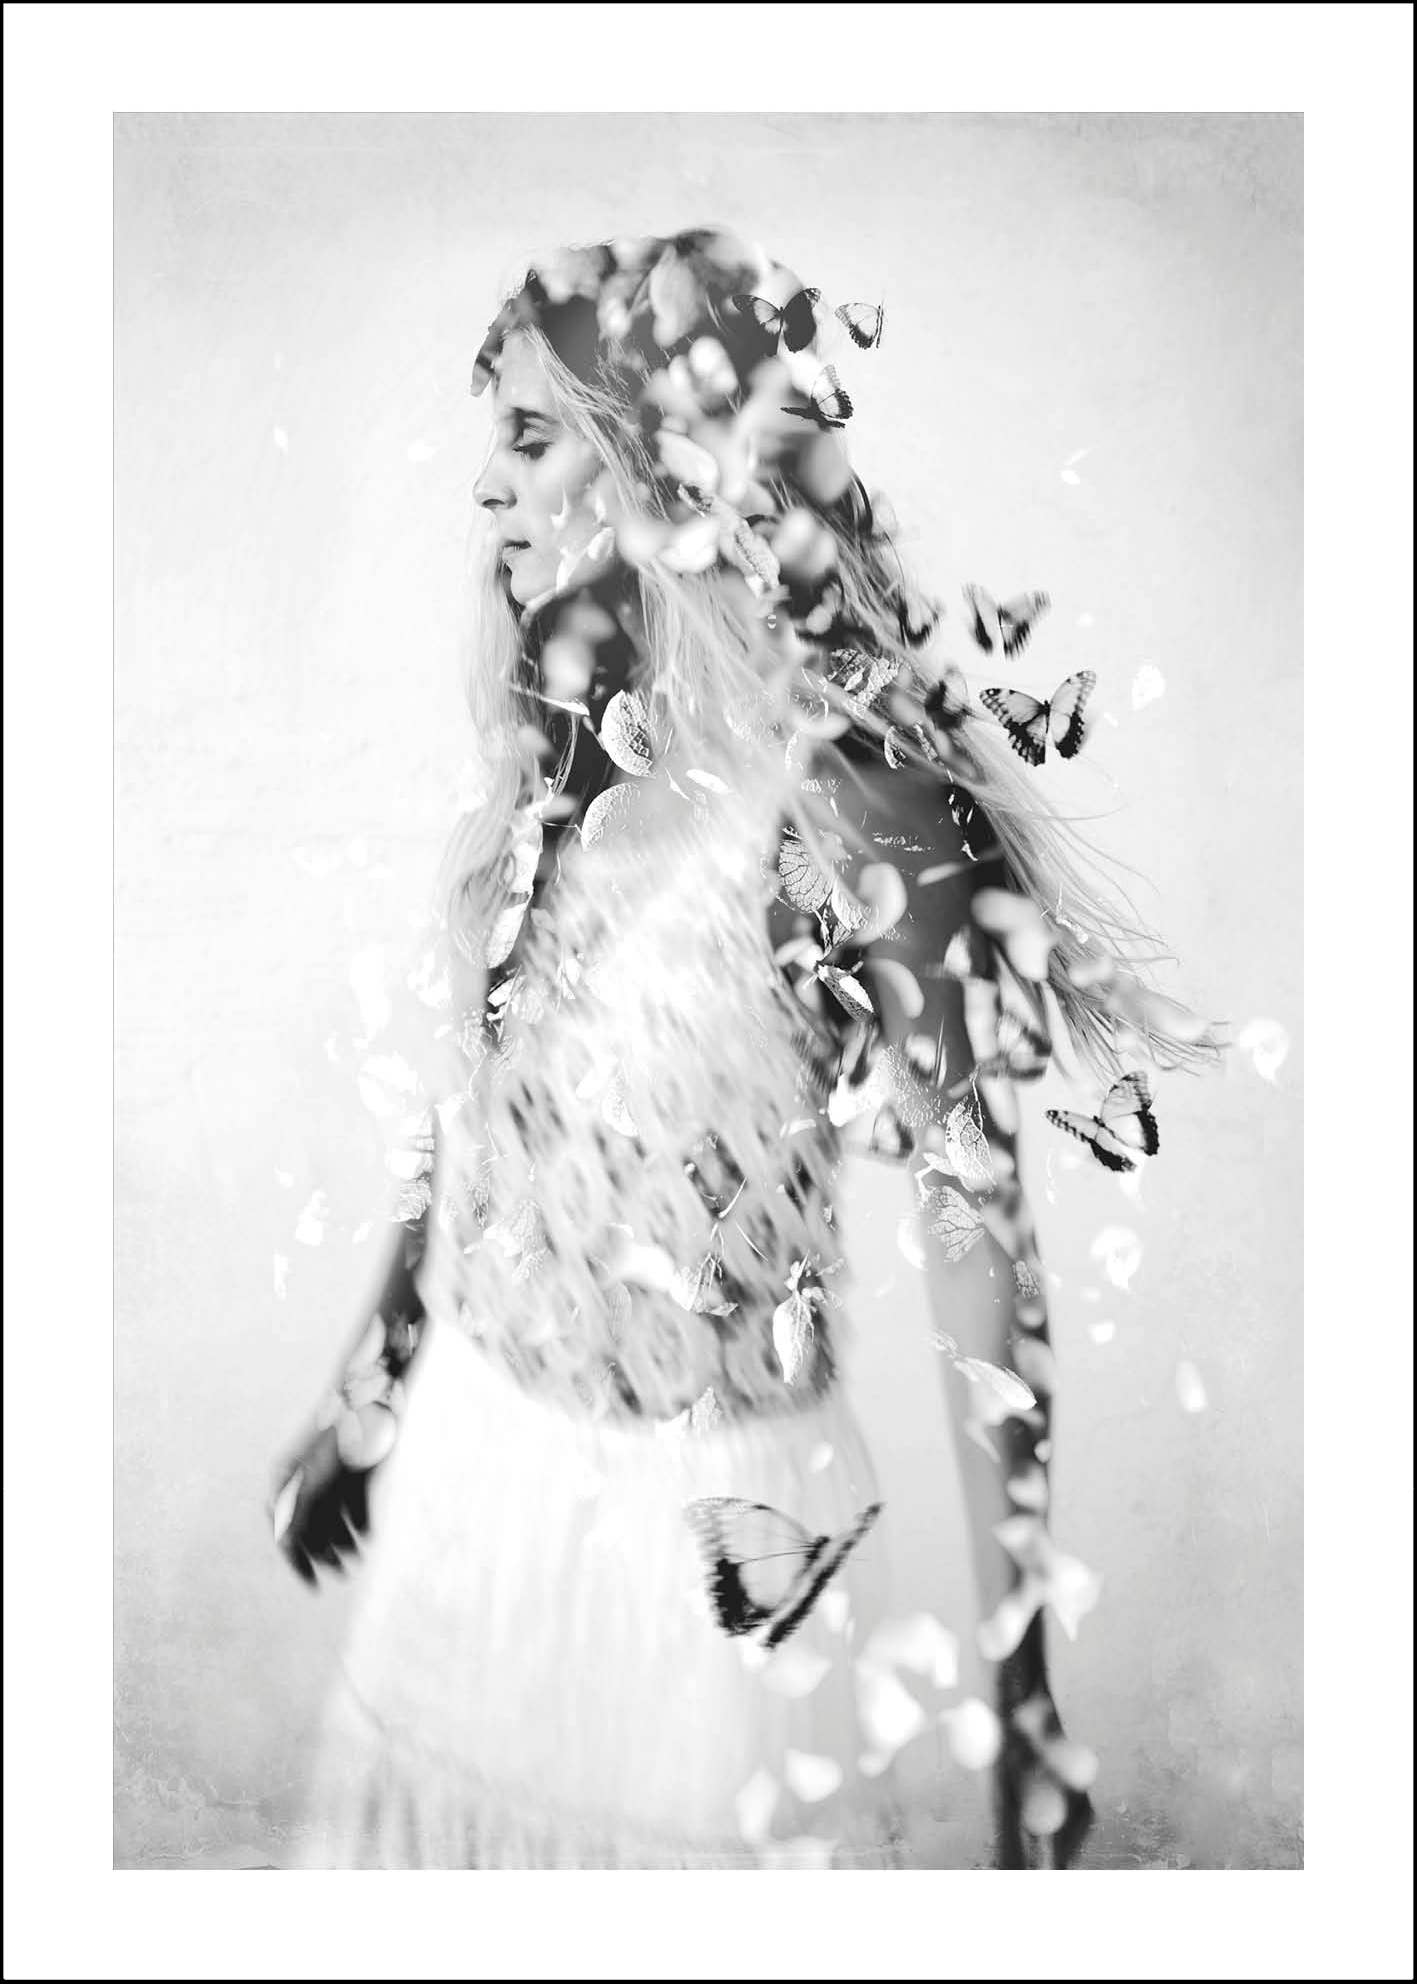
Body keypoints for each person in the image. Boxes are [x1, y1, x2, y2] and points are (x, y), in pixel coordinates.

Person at [270, 225, 1222, 1870]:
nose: (486, 487)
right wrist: (375, 1383)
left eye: (530, 437)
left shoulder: (852, 804)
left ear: (659, 467)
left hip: (710, 1558)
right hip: (473, 1495)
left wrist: (1023, 1690)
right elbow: (487, 1114)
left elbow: (979, 1237)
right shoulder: (562, 764)